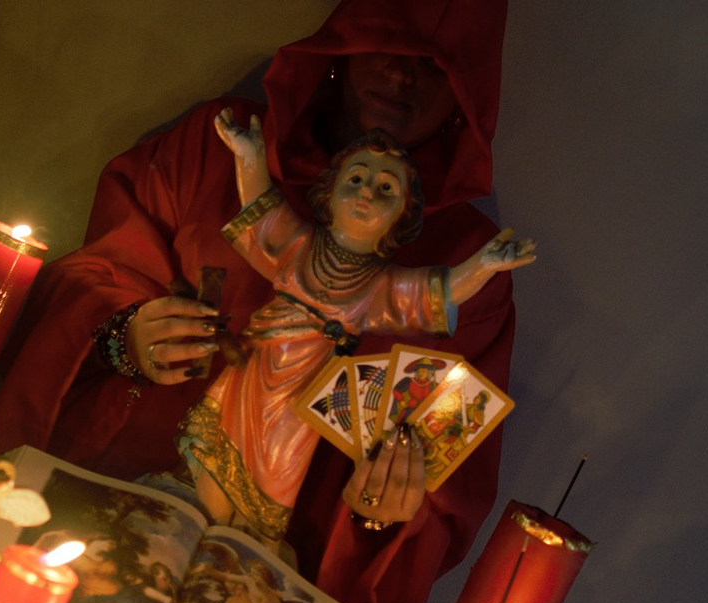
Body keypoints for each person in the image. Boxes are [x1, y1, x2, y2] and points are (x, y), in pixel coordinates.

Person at [0, 0, 515, 603]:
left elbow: (443, 470)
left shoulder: (464, 267)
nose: (402, 75)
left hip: (268, 568)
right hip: (106, 487)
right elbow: (97, 273)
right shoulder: (222, 146)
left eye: (434, 66)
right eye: (388, 46)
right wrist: (127, 332)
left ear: (468, 93)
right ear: (345, 45)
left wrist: (382, 510)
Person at [180, 116, 531, 545]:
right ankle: (192, 527)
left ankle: (236, 545)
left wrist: (484, 265)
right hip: (252, 372)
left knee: (274, 472)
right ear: (329, 191)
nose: (366, 192)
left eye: (385, 189)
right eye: (356, 179)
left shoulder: (380, 286)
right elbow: (262, 209)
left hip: (306, 396)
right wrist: (250, 155)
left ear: (401, 216)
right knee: (211, 477)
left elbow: (440, 290)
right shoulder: (299, 244)